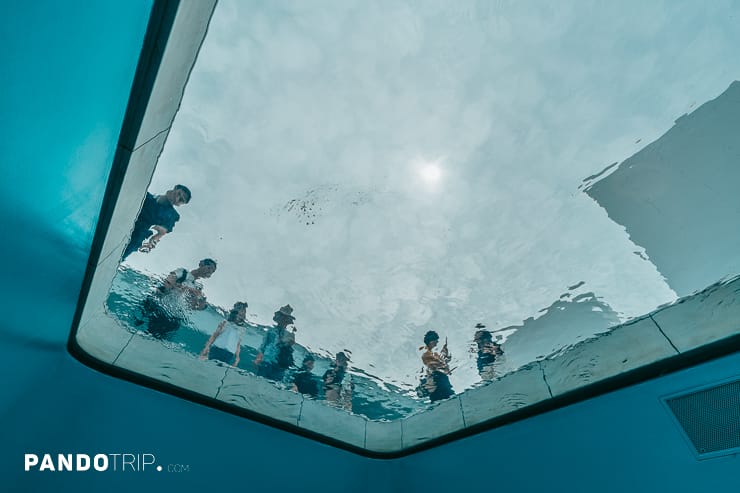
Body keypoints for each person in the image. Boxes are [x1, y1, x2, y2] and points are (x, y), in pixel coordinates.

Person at [141, 258, 217, 339]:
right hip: (159, 308)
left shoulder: (196, 287)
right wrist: (185, 289)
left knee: (157, 338)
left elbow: (191, 306)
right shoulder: (183, 273)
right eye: (209, 268)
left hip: (172, 317)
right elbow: (167, 282)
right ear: (201, 264)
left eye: (212, 271)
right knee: (146, 332)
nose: (209, 272)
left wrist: (202, 304)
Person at [122, 185, 191, 260]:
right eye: (178, 194)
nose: (177, 199)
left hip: (134, 238)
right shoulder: (145, 195)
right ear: (175, 188)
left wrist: (151, 242)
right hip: (122, 222)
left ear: (179, 205)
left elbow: (162, 232)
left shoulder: (172, 216)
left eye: (181, 200)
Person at [254, 304, 297, 382]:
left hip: (279, 364)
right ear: (278, 318)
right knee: (260, 381)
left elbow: (288, 349)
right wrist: (258, 358)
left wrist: (288, 343)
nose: (283, 320)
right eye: (282, 317)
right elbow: (263, 346)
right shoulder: (271, 331)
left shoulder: (289, 334)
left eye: (285, 318)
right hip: (267, 361)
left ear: (287, 321)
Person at [200, 301, 248, 366]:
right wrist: (207, 347)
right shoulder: (225, 322)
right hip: (217, 348)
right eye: (241, 311)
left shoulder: (243, 329)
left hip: (229, 353)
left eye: (244, 312)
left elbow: (238, 343)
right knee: (210, 365)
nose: (242, 314)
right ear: (235, 312)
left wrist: (237, 357)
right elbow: (215, 335)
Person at [419, 330, 454, 402]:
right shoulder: (427, 354)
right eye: (436, 341)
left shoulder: (432, 354)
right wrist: (444, 360)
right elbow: (435, 367)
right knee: (447, 397)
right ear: (432, 341)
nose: (437, 343)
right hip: (437, 381)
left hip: (437, 381)